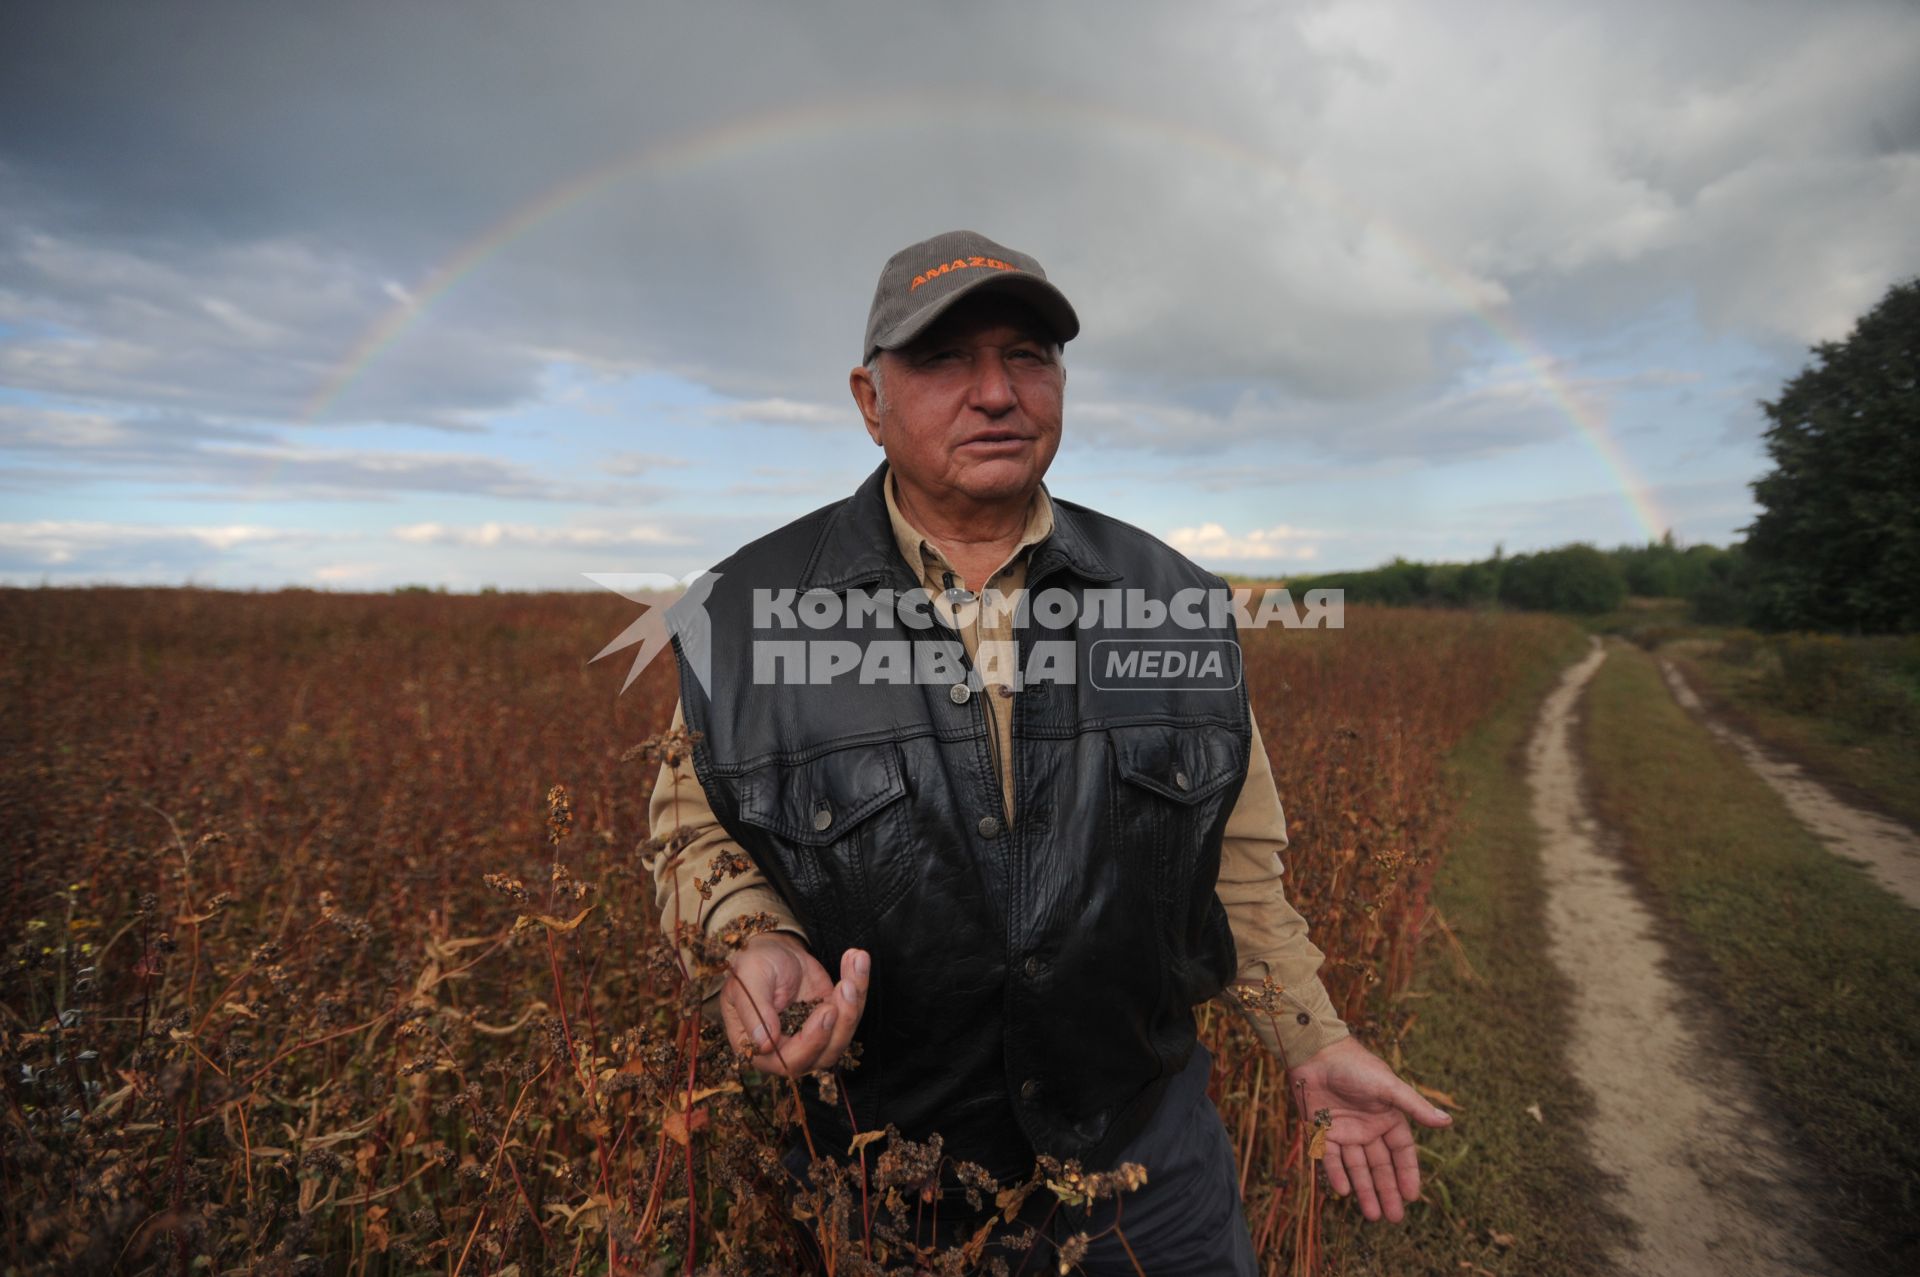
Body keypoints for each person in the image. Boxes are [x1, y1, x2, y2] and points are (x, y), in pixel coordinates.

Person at [647, 229, 1451, 1271]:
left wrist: (1314, 1037)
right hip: (875, 1192)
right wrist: (748, 931)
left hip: (1144, 1181)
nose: (995, 392)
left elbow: (1234, 869)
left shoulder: (1173, 607)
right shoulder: (748, 615)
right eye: (942, 358)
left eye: (1028, 354)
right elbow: (694, 824)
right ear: (867, 397)